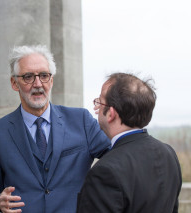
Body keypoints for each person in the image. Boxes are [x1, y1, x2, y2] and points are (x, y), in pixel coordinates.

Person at [0, 45, 111, 213]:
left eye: (44, 76)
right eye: (28, 77)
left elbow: (116, 157)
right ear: (14, 83)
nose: (38, 84)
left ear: (52, 80)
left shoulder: (81, 120)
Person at [76, 73, 182, 213]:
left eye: (100, 102)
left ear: (111, 114)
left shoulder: (104, 172)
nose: (97, 109)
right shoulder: (168, 153)